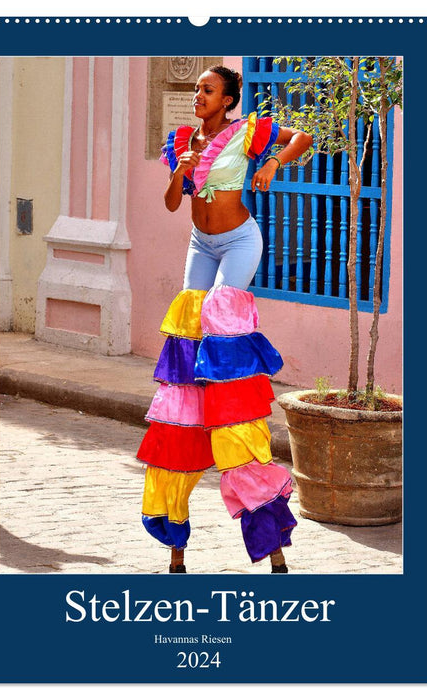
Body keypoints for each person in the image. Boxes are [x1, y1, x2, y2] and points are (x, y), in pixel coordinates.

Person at [137, 65, 313, 573]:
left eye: (207, 91)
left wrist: (274, 162)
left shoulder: (246, 132)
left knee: (221, 315)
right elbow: (174, 205)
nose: (198, 96)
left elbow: (303, 135)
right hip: (201, 243)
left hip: (239, 240)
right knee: (190, 328)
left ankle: (234, 418)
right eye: (196, 89)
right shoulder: (182, 141)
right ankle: (177, 540)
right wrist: (181, 170)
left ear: (228, 99)